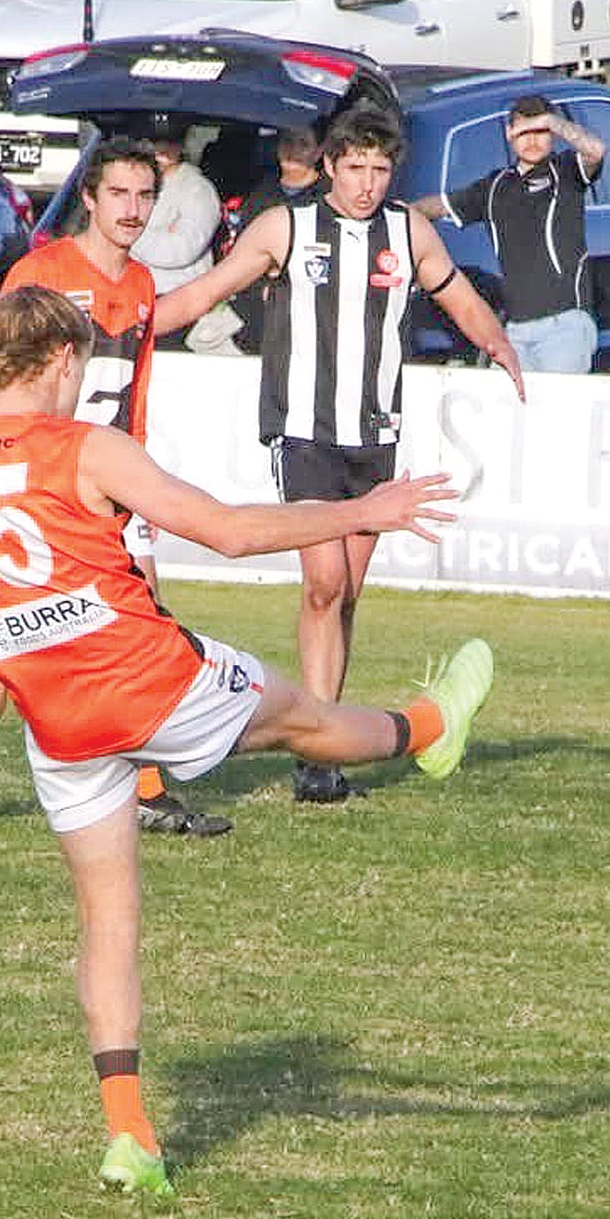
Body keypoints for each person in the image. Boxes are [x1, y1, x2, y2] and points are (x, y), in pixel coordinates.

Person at [0, 285, 495, 1200]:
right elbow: (227, 531)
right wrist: (362, 512)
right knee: (305, 716)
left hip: (56, 723)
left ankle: (130, 1133)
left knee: (108, 923)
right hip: (150, 681)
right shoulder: (86, 447)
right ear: (62, 360)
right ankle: (430, 726)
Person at [163, 105, 526, 806]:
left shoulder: (408, 231)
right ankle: (317, 740)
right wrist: (132, 323)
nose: (366, 182)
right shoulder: (287, 226)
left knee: (346, 594)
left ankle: (319, 755)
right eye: (354, 167)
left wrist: (499, 343)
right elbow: (210, 289)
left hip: (375, 435)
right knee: (323, 582)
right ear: (329, 165)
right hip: (303, 433)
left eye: (379, 169)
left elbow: (457, 294)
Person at [0, 137, 231, 837]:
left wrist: (134, 481)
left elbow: (135, 386)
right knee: (7, 632)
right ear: (87, 197)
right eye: (118, 193)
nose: (133, 209)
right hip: (38, 479)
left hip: (109, 478)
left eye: (146, 196)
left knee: (140, 619)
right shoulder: (44, 271)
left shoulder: (142, 283)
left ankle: (147, 788)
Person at [412, 94, 607, 374]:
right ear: (509, 135)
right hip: (514, 331)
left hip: (565, 326)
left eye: (540, 131)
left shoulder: (565, 171)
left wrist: (551, 120)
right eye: (524, 131)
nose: (532, 139)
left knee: (557, 414)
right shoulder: (494, 187)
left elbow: (596, 151)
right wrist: (393, 211)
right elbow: (437, 206)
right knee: (505, 412)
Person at [130, 122, 242, 356]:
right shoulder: (135, 186)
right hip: (133, 301)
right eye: (152, 143)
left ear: (181, 145)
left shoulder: (198, 189)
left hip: (182, 307)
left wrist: (131, 234)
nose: (160, 151)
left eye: (168, 143)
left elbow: (180, 249)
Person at [229, 125, 327, 355]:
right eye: (287, 143)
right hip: (257, 315)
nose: (292, 151)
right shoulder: (260, 195)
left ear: (320, 150)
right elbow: (240, 256)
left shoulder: (330, 198)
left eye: (303, 144)